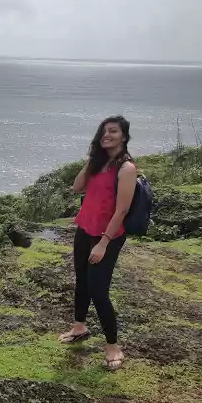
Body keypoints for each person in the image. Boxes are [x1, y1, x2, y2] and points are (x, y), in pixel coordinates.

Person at [58, 115, 137, 371]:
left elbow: (121, 211)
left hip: (108, 236)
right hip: (84, 229)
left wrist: (103, 243)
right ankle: (79, 327)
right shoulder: (98, 162)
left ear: (123, 136)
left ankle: (113, 346)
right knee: (82, 281)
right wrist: (91, 159)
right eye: (103, 132)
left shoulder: (126, 169)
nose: (107, 135)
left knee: (98, 290)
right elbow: (76, 187)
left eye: (113, 131)